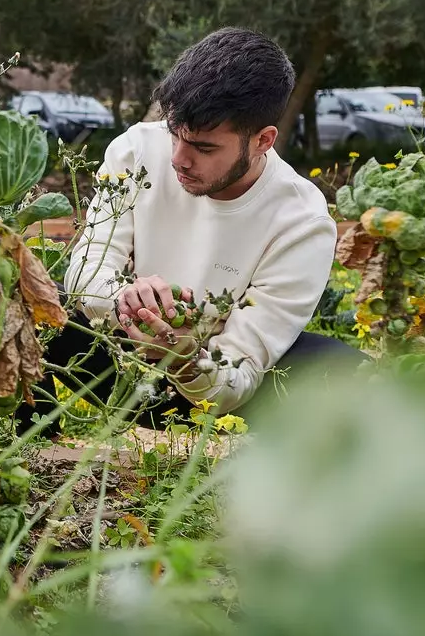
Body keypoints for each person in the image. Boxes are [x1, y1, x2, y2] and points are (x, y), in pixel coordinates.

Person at [28, 27, 357, 430]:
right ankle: (29, 454)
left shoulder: (302, 221)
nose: (179, 160)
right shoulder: (136, 150)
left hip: (208, 395)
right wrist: (126, 305)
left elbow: (242, 369)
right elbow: (87, 272)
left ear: (263, 140)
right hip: (115, 363)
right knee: (18, 294)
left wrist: (184, 356)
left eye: (203, 148)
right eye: (175, 135)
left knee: (344, 370)